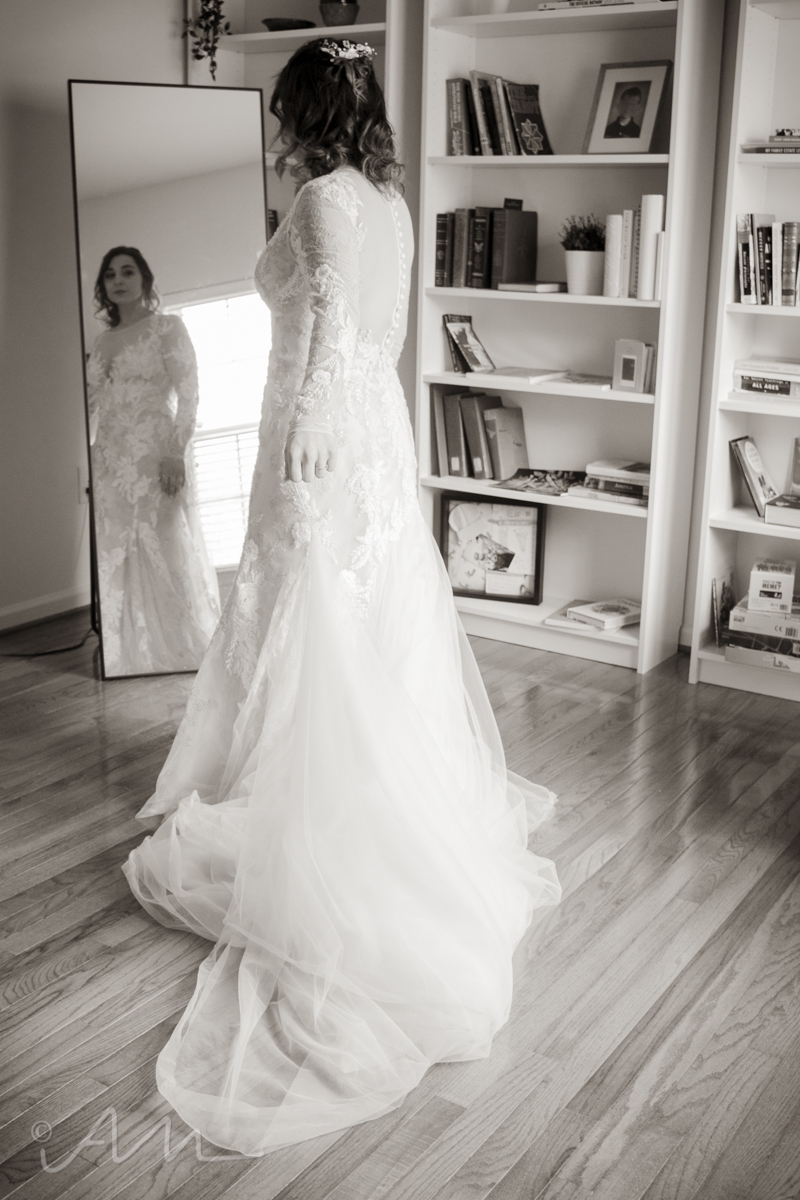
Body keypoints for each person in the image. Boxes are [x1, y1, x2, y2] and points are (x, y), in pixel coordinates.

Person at [123, 38, 561, 1156]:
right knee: (355, 627)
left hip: (320, 435)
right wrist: (343, 421)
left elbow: (325, 320)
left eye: (284, 108)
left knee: (302, 620)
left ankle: (299, 809)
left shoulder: (322, 198)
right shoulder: (394, 203)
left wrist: (311, 428)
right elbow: (381, 337)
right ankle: (320, 783)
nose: (277, 126)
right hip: (376, 437)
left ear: (306, 112)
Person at [87, 247, 221, 675]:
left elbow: (190, 392)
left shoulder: (168, 328)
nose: (118, 280)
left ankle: (180, 643)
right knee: (116, 548)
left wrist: (175, 452)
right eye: (110, 275)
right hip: (110, 459)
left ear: (144, 279)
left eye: (127, 272)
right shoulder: (102, 341)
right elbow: (90, 402)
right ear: (104, 286)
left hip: (155, 455)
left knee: (164, 541)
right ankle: (125, 651)